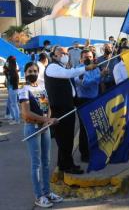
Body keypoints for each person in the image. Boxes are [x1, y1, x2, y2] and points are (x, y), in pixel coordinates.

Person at [45, 46, 97, 174]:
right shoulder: (52, 67)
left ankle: (63, 163)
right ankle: (68, 166)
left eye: (66, 53)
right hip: (60, 108)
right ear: (54, 56)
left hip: (68, 105)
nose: (65, 55)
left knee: (66, 139)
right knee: (65, 139)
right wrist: (85, 68)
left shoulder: (61, 67)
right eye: (61, 53)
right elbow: (69, 74)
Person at [19, 62, 63, 208]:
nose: (32, 73)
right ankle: (39, 196)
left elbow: (48, 106)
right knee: (36, 164)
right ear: (25, 73)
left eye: (35, 71)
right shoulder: (23, 90)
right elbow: (26, 114)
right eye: (30, 71)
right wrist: (47, 120)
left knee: (46, 162)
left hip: (45, 128)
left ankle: (47, 192)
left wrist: (47, 120)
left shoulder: (42, 87)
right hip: (33, 128)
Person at [74, 49, 103, 162]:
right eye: (85, 57)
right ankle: (84, 154)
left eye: (90, 57)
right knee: (84, 128)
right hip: (83, 101)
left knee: (95, 126)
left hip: (95, 99)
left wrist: (102, 74)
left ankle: (94, 150)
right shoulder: (78, 70)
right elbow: (84, 83)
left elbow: (99, 80)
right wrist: (99, 76)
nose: (88, 58)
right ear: (81, 59)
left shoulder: (96, 68)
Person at [4, 56, 20, 125]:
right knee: (11, 104)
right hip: (12, 89)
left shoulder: (13, 71)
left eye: (8, 62)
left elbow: (13, 81)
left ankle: (16, 119)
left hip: (13, 89)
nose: (7, 63)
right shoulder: (12, 71)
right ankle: (15, 118)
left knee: (14, 105)